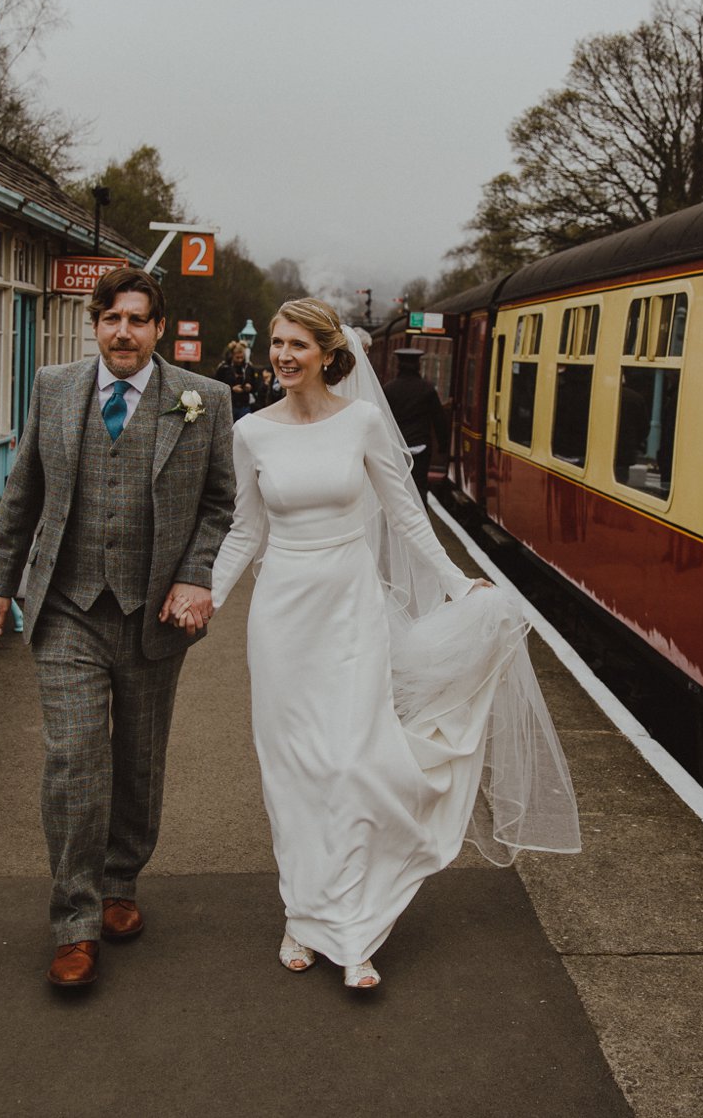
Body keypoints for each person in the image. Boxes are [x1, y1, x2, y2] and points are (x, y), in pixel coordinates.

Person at [204, 298, 579, 992]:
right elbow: (244, 532)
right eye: (276, 343)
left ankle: (353, 930)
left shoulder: (364, 421)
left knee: (350, 765)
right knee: (293, 775)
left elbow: (406, 516)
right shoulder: (252, 432)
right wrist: (210, 596)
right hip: (281, 620)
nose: (282, 355)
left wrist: (455, 583)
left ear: (326, 351)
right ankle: (302, 916)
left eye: (297, 344)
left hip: (350, 613)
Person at [0, 266, 235, 992]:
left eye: (137, 320)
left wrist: (196, 574)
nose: (123, 331)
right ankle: (75, 919)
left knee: (139, 759)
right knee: (75, 760)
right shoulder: (54, 387)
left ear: (158, 329)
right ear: (95, 323)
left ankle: (121, 880)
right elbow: (22, 490)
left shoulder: (205, 400)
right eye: (111, 318)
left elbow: (220, 504)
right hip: (66, 608)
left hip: (153, 614)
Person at [382, 347, 449, 499]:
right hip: (421, 447)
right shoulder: (427, 389)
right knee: (419, 488)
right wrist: (443, 446)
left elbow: (383, 419)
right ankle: (421, 519)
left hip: (397, 447)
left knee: (397, 487)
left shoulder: (389, 389)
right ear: (418, 366)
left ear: (398, 365)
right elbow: (439, 419)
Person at [214, 341, 258, 421]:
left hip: (244, 405)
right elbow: (216, 386)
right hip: (228, 405)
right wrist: (231, 389)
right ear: (232, 355)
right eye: (237, 357)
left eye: (242, 357)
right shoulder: (223, 368)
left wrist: (250, 387)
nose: (240, 360)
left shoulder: (249, 368)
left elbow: (256, 384)